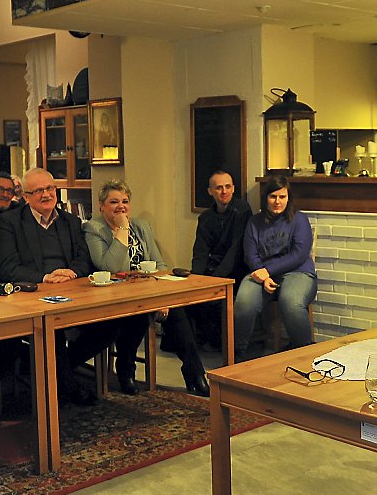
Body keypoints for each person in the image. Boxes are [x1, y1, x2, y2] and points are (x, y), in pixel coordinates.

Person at [0, 168, 111, 405]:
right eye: (38, 191)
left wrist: (71, 273)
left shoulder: (71, 221)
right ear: (25, 197)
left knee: (111, 322)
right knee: (50, 327)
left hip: (72, 291)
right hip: (33, 296)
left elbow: (83, 259)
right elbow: (8, 268)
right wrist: (46, 277)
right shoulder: (9, 223)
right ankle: (68, 387)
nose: (46, 194)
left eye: (49, 188)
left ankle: (56, 369)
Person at [84, 180, 209, 397]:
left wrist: (162, 297)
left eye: (125, 201)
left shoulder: (141, 226)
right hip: (116, 296)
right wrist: (122, 228)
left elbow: (159, 264)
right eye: (114, 202)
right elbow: (110, 266)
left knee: (177, 311)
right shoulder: (94, 229)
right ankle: (126, 371)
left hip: (148, 291)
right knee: (138, 315)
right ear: (101, 205)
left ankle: (195, 373)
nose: (121, 206)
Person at [233, 176, 317, 360]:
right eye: (273, 196)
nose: (277, 201)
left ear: (288, 198)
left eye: (282, 197)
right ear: (266, 198)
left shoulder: (300, 219)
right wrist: (263, 275)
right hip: (260, 272)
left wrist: (268, 271)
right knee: (243, 303)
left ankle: (304, 352)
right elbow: (250, 254)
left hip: (298, 272)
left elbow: (299, 254)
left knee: (291, 303)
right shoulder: (254, 222)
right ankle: (238, 354)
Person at [187, 170, 251, 350]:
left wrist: (215, 279)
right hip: (213, 268)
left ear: (233, 188)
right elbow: (200, 251)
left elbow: (236, 250)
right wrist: (196, 279)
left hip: (236, 269)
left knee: (213, 298)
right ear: (210, 191)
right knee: (189, 294)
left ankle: (219, 343)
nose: (224, 191)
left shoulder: (242, 210)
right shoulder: (206, 217)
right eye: (219, 188)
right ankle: (195, 342)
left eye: (228, 187)